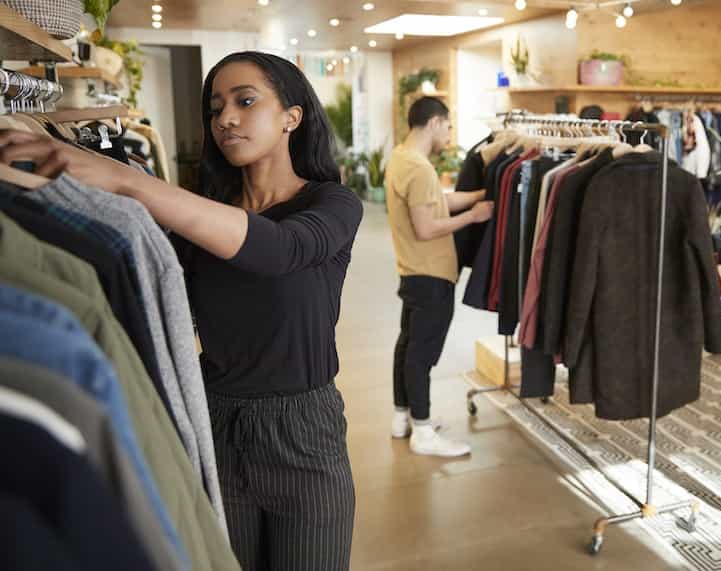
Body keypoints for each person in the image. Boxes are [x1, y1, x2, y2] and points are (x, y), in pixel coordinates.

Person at [0, 52, 363, 571]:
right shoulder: (198, 213)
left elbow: (280, 250)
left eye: (245, 101)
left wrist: (127, 181)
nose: (225, 119)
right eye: (215, 108)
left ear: (292, 116)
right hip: (212, 420)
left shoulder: (331, 204)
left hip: (304, 432)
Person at [384, 97, 492, 457]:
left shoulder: (402, 159)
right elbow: (427, 226)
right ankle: (424, 432)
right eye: (448, 125)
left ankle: (404, 418)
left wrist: (475, 196)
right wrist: (474, 217)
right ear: (433, 123)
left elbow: (433, 201)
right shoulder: (419, 169)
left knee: (407, 347)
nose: (449, 133)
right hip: (431, 275)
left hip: (413, 272)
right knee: (421, 356)